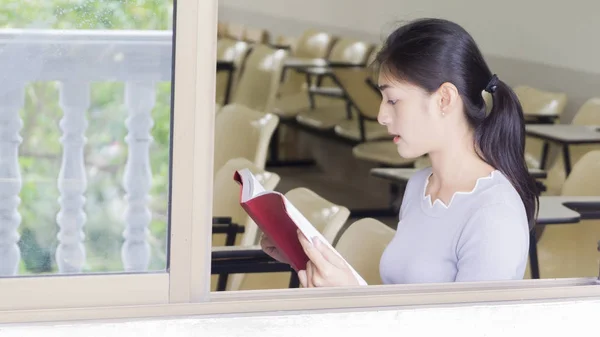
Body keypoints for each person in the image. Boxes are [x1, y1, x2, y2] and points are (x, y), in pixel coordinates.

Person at [260, 18, 539, 287]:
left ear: (444, 99)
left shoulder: (493, 215)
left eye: (393, 100)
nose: (381, 116)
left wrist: (352, 298)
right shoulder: (420, 186)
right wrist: (310, 258)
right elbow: (401, 303)